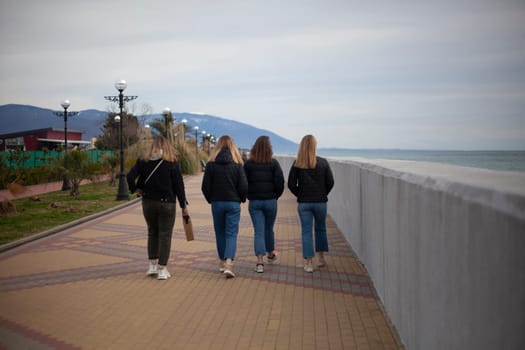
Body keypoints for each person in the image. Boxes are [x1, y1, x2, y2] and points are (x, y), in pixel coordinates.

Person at [127, 136, 188, 280]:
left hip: (148, 202)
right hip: (167, 203)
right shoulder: (172, 163)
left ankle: (152, 265)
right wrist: (183, 205)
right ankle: (162, 268)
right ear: (167, 147)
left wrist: (135, 189)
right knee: (165, 235)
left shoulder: (143, 161)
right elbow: (179, 186)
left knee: (152, 232)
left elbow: (130, 176)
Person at [201, 135, 248, 278]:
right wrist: (241, 199)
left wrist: (211, 199)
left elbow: (205, 187)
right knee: (231, 233)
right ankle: (229, 262)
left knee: (220, 232)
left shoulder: (210, 165)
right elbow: (244, 186)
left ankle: (222, 261)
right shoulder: (238, 164)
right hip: (233, 203)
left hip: (217, 203)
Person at [288, 135, 334, 273]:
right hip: (320, 203)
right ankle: (321, 259)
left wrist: (300, 194)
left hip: (304, 203)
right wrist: (323, 194)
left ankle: (308, 263)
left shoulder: (297, 163)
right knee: (321, 229)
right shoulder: (323, 162)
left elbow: (291, 184)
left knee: (306, 232)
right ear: (314, 146)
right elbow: (330, 182)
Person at [244, 136, 284, 273]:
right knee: (269, 228)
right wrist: (275, 196)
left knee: (258, 231)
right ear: (269, 148)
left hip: (255, 201)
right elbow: (280, 183)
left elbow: (244, 182)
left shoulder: (249, 164)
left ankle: (260, 263)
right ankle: (270, 253)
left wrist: (249, 195)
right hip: (270, 201)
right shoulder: (274, 163)